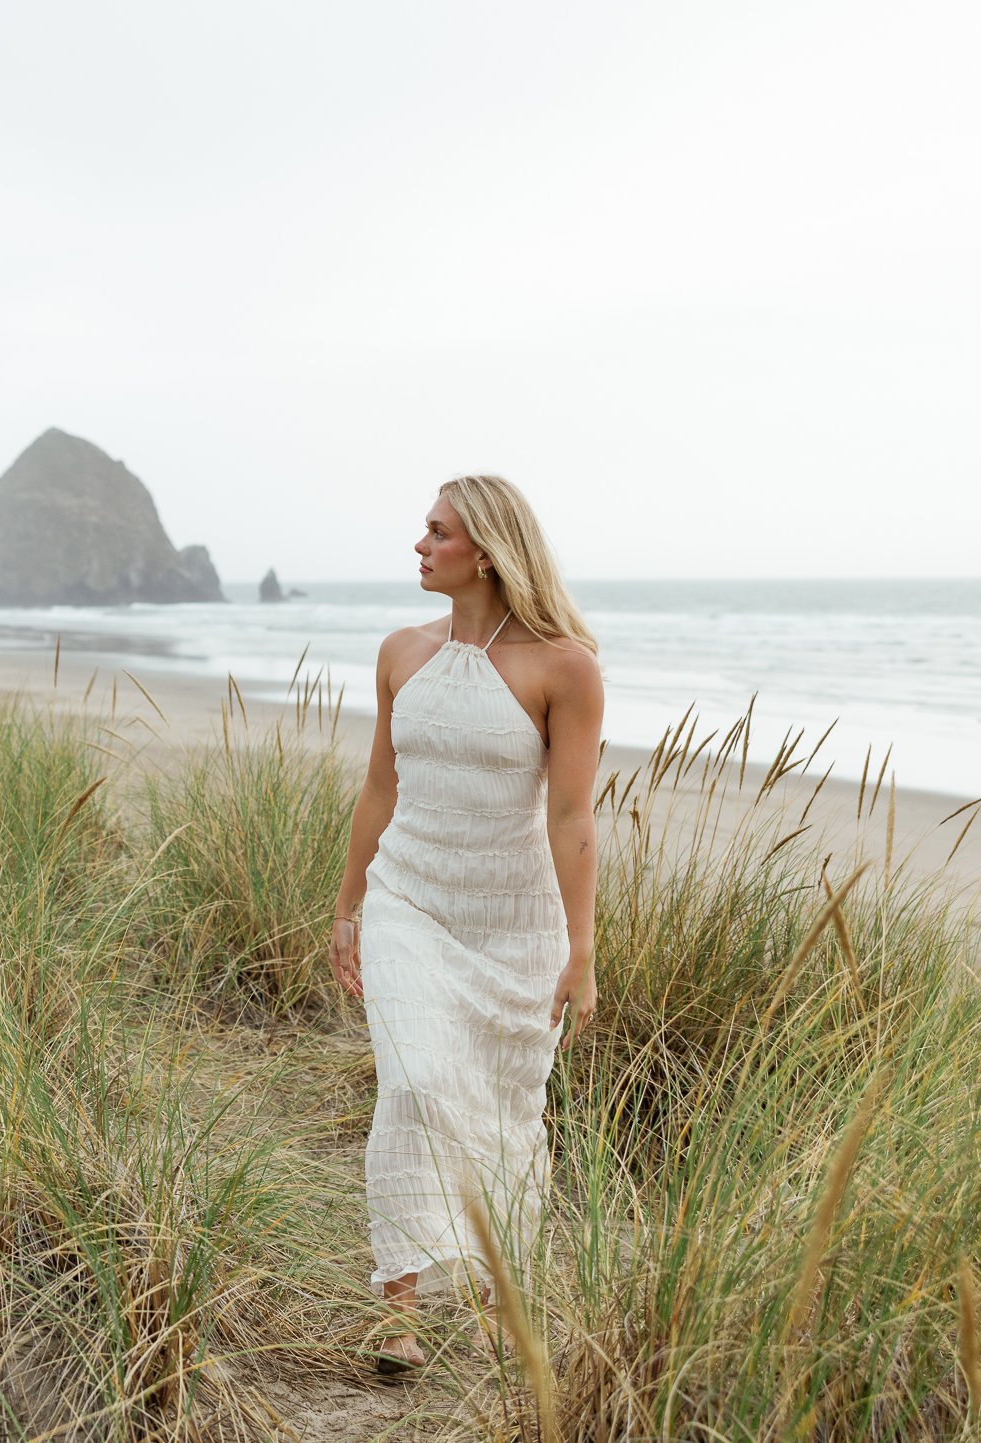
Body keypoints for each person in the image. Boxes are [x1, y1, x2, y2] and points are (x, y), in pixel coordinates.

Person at [328, 474, 603, 1372]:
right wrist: (347, 903)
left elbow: (571, 819)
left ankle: (498, 1296)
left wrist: (582, 947)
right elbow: (379, 786)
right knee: (411, 1084)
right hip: (409, 898)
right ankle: (395, 1310)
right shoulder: (401, 652)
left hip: (513, 923)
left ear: (485, 549)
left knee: (499, 1105)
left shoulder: (563, 666)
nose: (419, 544)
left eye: (436, 531)